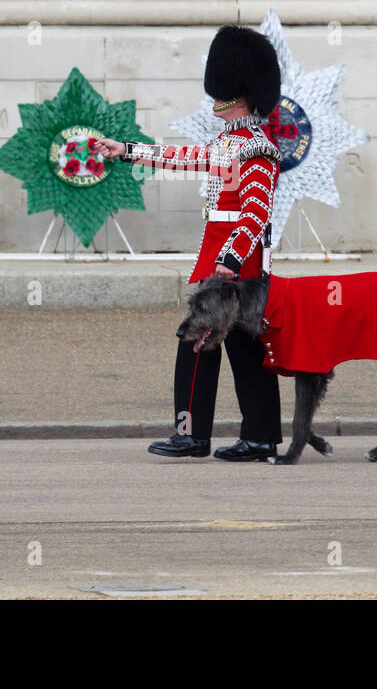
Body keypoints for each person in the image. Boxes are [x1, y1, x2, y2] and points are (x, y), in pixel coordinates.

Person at [93, 25, 282, 461]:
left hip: (236, 264)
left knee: (234, 347)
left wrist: (230, 262)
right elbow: (180, 157)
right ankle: (220, 435)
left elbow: (255, 214)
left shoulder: (257, 150)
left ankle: (240, 437)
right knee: (212, 344)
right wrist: (124, 149)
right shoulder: (231, 143)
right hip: (219, 259)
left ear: (240, 93)